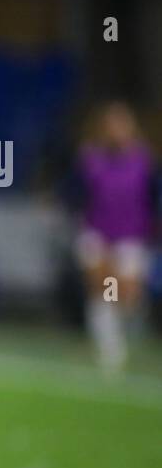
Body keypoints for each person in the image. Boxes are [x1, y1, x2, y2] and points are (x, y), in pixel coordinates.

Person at [73, 101, 157, 373]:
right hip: (98, 234)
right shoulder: (91, 161)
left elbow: (152, 198)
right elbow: (77, 196)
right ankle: (109, 348)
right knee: (103, 289)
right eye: (111, 125)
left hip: (131, 235)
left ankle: (117, 334)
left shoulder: (144, 162)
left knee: (125, 296)